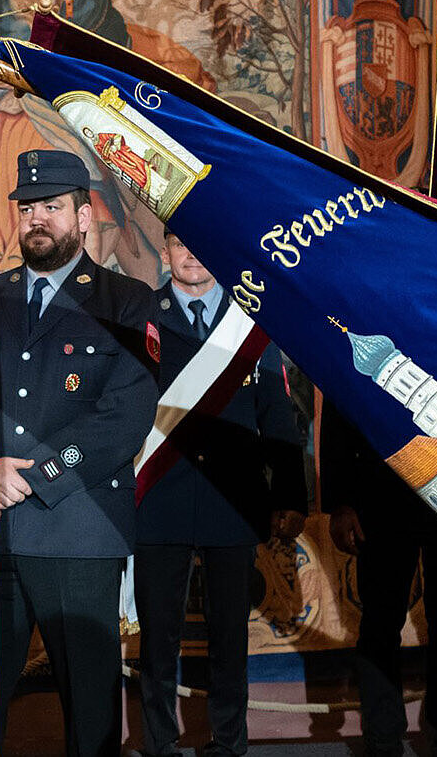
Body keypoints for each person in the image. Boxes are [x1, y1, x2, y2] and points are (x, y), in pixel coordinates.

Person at [0, 149, 156, 757]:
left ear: (84, 216)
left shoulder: (127, 301)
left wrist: (33, 476)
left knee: (89, 717)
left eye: (51, 207)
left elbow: (124, 419)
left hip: (78, 531)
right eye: (27, 208)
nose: (37, 219)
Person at [133, 229, 307, 757]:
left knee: (229, 638)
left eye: (199, 244)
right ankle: (160, 742)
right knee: (158, 640)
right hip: (158, 499)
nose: (191, 254)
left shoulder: (249, 322)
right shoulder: (140, 315)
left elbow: (277, 414)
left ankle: (229, 744)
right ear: (165, 253)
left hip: (231, 499)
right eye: (179, 244)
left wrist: (291, 496)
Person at [320, 404, 437, 757]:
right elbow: (339, 397)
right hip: (381, 494)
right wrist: (340, 503)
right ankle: (382, 742)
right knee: (379, 625)